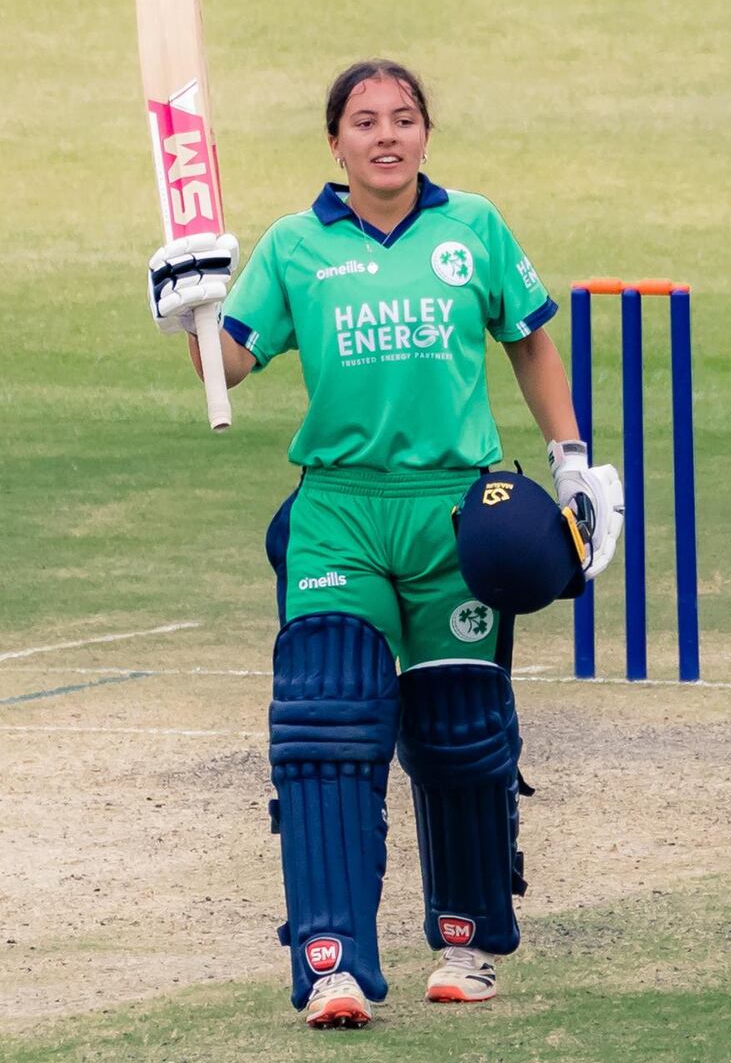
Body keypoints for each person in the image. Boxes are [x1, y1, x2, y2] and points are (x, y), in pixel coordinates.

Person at [147, 59, 623, 1030]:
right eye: (364, 122)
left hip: (456, 509)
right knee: (323, 726)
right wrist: (185, 310)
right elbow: (226, 368)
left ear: (424, 134)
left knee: (460, 731)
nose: (385, 136)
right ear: (336, 142)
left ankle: (464, 943)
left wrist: (570, 458)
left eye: (402, 119)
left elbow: (527, 337)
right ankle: (330, 964)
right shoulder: (295, 247)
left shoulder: (470, 228)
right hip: (341, 509)